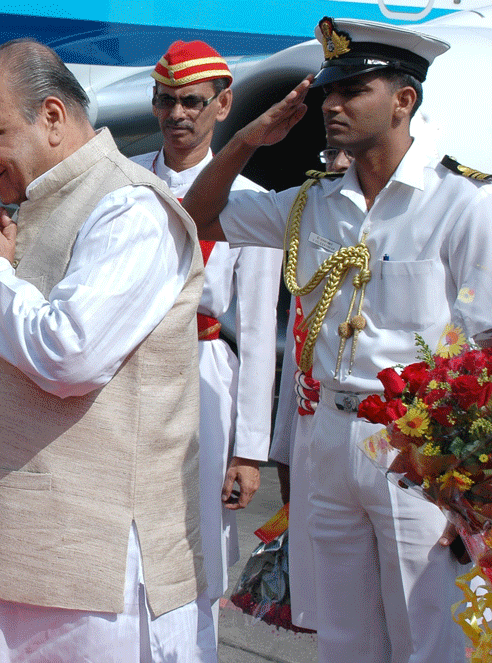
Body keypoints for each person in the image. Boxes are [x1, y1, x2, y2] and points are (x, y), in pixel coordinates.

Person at [183, 16, 492, 663]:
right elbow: (197, 213)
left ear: (404, 99)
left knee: (427, 630)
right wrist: (246, 139)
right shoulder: (314, 204)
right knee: (344, 638)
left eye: (352, 88)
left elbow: (487, 339)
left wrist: (470, 476)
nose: (330, 104)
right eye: (328, 90)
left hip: (415, 452)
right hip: (327, 439)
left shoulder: (459, 203)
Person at [0, 38, 207, 661]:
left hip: (81, 562)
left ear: (51, 116)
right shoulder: (38, 208)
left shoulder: (129, 208)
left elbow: (71, 358)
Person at [128, 40, 281, 660]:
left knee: (199, 549)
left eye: (191, 101)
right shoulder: (128, 182)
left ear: (223, 106)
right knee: (124, 541)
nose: (176, 114)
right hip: (127, 374)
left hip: (203, 377)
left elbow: (261, 331)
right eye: (165, 100)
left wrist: (248, 450)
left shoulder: (250, 200)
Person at [268, 144, 351, 630]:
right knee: (336, 614)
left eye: (347, 153)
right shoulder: (310, 214)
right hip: (316, 434)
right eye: (330, 152)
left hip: (404, 446)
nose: (336, 163)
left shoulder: (455, 206)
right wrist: (282, 452)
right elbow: (297, 354)